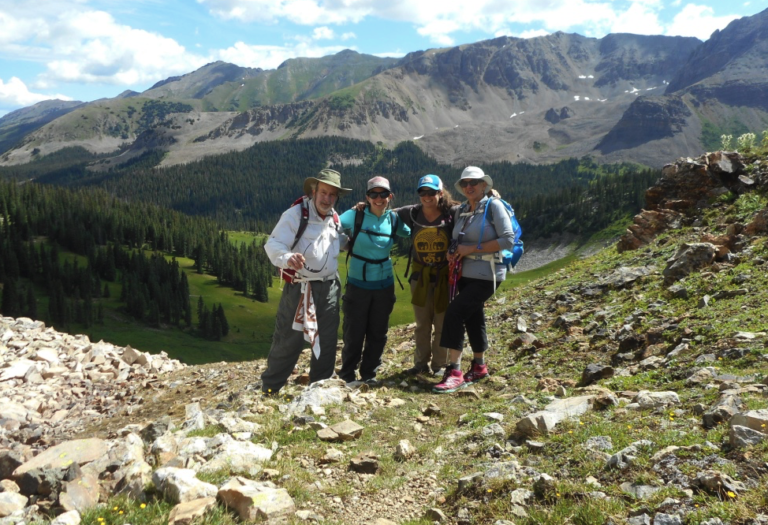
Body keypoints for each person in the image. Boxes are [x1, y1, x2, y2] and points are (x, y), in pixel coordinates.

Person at [261, 169, 351, 394]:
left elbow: (335, 242)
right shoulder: (294, 215)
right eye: (323, 192)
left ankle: (319, 389)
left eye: (332, 194)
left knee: (328, 339)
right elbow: (273, 245)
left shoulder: (334, 217)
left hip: (329, 287)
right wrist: (288, 258)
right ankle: (271, 388)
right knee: (288, 339)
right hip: (300, 287)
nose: (327, 198)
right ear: (314, 191)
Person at [433, 166, 516, 393]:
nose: (469, 187)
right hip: (464, 274)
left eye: (474, 183)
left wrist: (470, 248)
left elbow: (508, 239)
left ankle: (455, 371)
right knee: (473, 316)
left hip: (488, 274)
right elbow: (457, 238)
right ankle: (479, 366)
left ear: (483, 185)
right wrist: (454, 250)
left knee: (455, 312)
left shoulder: (493, 206)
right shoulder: (462, 210)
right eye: (465, 183)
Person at [338, 176, 411, 386]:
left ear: (390, 196)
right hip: (357, 285)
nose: (378, 199)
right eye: (373, 194)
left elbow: (413, 229)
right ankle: (347, 375)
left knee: (378, 332)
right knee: (354, 332)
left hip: (384, 284)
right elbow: (331, 223)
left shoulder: (394, 219)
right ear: (367, 197)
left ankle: (369, 374)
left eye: (383, 194)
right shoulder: (354, 215)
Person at [395, 174, 459, 376]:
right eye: (423, 192)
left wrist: (491, 197)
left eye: (431, 192)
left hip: (444, 276)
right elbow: (383, 211)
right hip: (420, 275)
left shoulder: (453, 213)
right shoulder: (411, 213)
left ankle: (439, 366)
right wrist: (363, 206)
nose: (427, 196)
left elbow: (475, 210)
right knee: (422, 323)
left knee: (441, 322)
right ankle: (420, 364)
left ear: (441, 193)